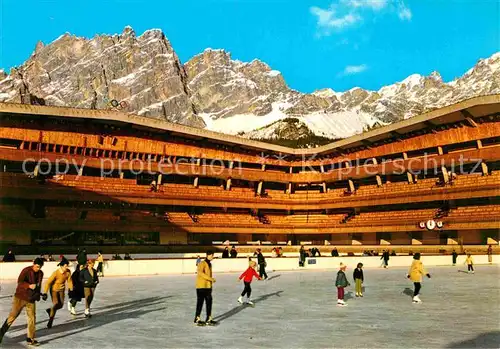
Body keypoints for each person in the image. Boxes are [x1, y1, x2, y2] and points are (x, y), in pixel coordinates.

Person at [0, 258, 47, 346]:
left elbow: (37, 286)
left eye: (40, 267)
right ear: (33, 264)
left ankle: (30, 338)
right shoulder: (26, 271)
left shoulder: (40, 273)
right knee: (12, 317)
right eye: (37, 267)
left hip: (31, 299)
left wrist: (40, 295)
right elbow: (20, 282)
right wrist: (28, 285)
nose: (38, 269)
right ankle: (0, 334)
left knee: (32, 319)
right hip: (20, 298)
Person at [44, 259, 73, 328]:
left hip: (61, 290)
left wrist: (71, 289)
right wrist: (45, 292)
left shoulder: (68, 272)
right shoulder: (56, 273)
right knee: (56, 304)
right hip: (54, 290)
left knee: (61, 305)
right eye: (66, 266)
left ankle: (50, 310)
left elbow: (69, 281)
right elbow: (48, 282)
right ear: (61, 266)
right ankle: (50, 321)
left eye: (67, 266)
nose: (67, 267)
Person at [194, 251, 217, 326]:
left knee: (209, 303)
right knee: (200, 303)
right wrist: (210, 279)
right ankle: (197, 318)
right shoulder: (202, 263)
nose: (213, 257)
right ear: (208, 255)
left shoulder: (210, 264)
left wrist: (210, 283)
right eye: (212, 255)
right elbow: (200, 272)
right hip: (201, 286)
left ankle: (208, 318)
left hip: (208, 287)